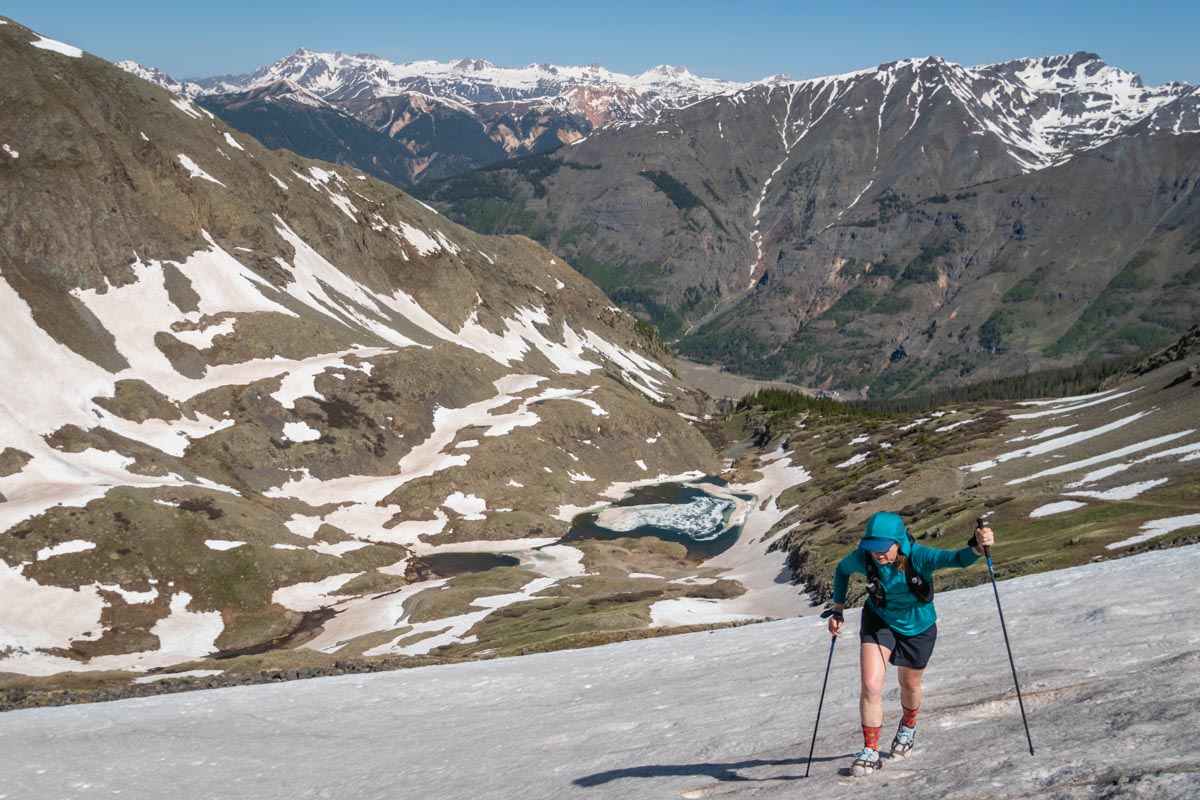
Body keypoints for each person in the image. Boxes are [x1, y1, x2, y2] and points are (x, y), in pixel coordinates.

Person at [827, 511, 994, 777]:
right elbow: (841, 570)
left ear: (898, 543)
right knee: (870, 685)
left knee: (909, 684)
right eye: (872, 548)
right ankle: (870, 750)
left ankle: (908, 726)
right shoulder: (863, 558)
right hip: (879, 620)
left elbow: (956, 560)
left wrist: (977, 546)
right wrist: (838, 610)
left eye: (883, 549)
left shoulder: (919, 556)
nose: (877, 555)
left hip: (919, 627)